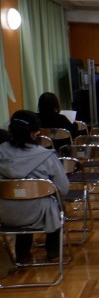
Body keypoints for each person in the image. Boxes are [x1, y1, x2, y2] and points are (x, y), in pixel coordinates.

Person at [0, 110, 69, 262]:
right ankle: (53, 252)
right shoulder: (46, 156)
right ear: (34, 133)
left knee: (20, 200)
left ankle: (22, 254)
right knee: (53, 202)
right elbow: (63, 188)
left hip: (5, 214)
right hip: (39, 214)